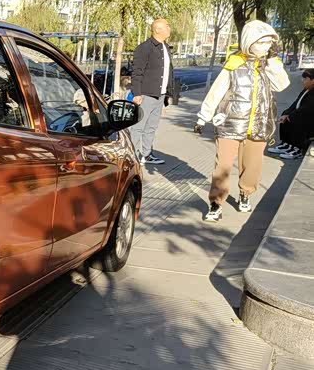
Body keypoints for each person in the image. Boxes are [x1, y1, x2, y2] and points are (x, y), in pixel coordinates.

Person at [195, 20, 290, 221]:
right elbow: (217, 91)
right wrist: (204, 117)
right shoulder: (233, 64)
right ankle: (215, 203)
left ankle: (245, 194)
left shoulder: (270, 65)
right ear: (249, 41)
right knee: (222, 167)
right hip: (230, 124)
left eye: (268, 43)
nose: (265, 47)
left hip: (259, 124)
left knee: (252, 165)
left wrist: (271, 61)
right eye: (261, 42)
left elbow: (282, 85)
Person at [130, 18, 175, 165]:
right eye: (167, 26)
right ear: (157, 30)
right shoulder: (144, 48)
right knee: (138, 126)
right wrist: (137, 93)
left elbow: (168, 73)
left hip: (160, 95)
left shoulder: (165, 47)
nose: (169, 28)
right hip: (145, 94)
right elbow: (137, 72)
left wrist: (167, 95)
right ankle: (134, 156)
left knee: (151, 127)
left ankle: (147, 154)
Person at [267, 69, 314, 159]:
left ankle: (297, 149)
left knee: (296, 118)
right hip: (302, 114)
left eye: (305, 79)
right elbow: (296, 103)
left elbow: (307, 108)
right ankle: (287, 144)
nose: (303, 81)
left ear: (313, 80)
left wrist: (290, 116)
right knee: (286, 114)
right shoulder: (306, 90)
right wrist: (287, 113)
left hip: (310, 121)